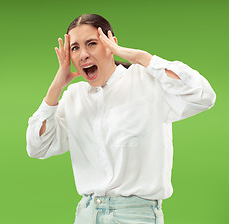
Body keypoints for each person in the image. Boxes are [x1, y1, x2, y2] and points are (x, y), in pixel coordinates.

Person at [26, 14, 216, 224]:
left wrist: (141, 57)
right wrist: (56, 87)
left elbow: (203, 96)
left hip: (136, 215)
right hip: (86, 215)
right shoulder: (74, 97)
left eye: (92, 44)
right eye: (75, 48)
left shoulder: (146, 80)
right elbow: (37, 147)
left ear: (111, 44)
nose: (83, 54)